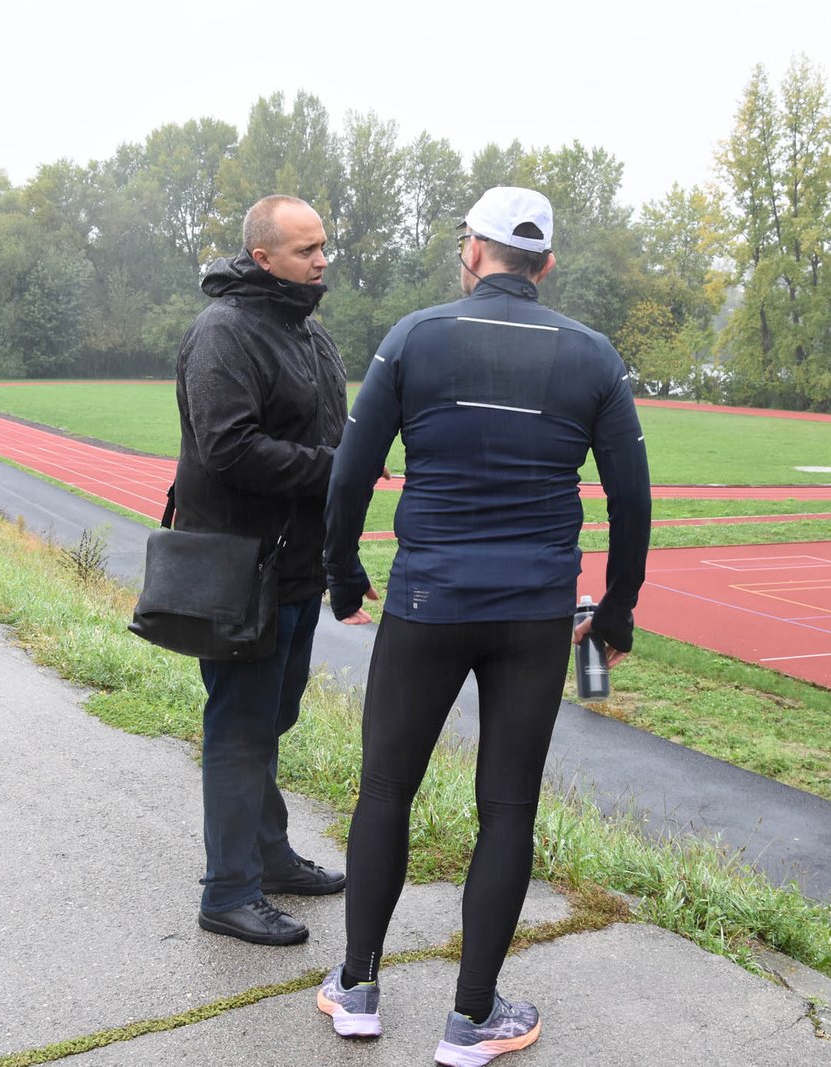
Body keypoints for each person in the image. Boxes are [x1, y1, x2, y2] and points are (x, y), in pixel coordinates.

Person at [317, 187, 653, 1064]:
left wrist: (344, 573)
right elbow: (632, 499)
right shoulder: (593, 356)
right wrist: (617, 612)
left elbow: (350, 476)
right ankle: (472, 1018)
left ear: (474, 251)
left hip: (428, 600)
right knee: (506, 805)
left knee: (386, 787)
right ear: (545, 264)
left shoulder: (415, 336)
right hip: (535, 612)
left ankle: (355, 987)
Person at [173, 194, 370, 947]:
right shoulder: (224, 332)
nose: (322, 260)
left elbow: (328, 430)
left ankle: (270, 854)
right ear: (263, 258)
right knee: (239, 728)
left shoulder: (307, 332)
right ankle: (228, 891)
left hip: (294, 567)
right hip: (238, 570)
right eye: (306, 249)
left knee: (270, 721)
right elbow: (228, 447)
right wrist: (336, 467)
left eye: (324, 245)